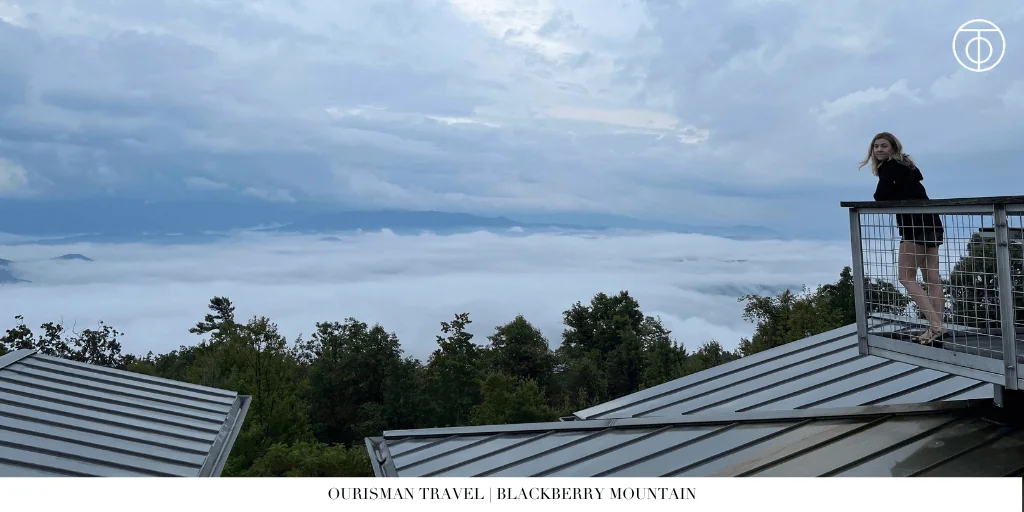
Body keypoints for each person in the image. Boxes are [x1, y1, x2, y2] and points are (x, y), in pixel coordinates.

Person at [858, 132, 947, 345]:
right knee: (932, 279)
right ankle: (937, 327)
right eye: (876, 147)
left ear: (893, 148)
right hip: (932, 221)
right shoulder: (907, 164)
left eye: (883, 146)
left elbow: (881, 196)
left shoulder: (889, 167)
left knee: (906, 277)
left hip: (913, 224)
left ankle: (935, 327)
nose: (879, 150)